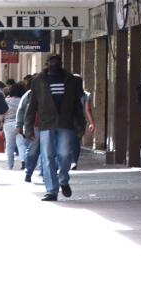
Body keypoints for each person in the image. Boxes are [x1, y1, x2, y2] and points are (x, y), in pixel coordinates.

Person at [25, 54, 86, 201]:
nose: (54, 64)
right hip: (46, 123)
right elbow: (32, 104)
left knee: (64, 155)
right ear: (46, 63)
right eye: (51, 61)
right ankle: (51, 190)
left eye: (57, 61)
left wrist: (81, 123)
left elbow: (78, 104)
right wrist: (28, 127)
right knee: (47, 157)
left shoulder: (73, 80)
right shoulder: (38, 80)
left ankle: (63, 179)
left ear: (61, 63)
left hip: (65, 123)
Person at [16, 87, 42, 182]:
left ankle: (45, 173)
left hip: (49, 125)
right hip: (34, 125)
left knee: (47, 151)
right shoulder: (29, 94)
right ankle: (29, 172)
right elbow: (21, 110)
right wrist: (19, 124)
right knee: (32, 150)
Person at [70, 86, 95, 170]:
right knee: (76, 141)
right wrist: (92, 123)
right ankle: (74, 161)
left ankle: (67, 160)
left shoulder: (68, 93)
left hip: (67, 119)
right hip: (80, 120)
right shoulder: (86, 95)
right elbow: (88, 110)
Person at [2, 86, 26, 170]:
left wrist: (0, 122)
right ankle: (23, 160)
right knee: (21, 144)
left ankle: (10, 164)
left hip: (8, 124)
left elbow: (3, 112)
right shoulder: (22, 101)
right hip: (20, 124)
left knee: (9, 145)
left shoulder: (6, 101)